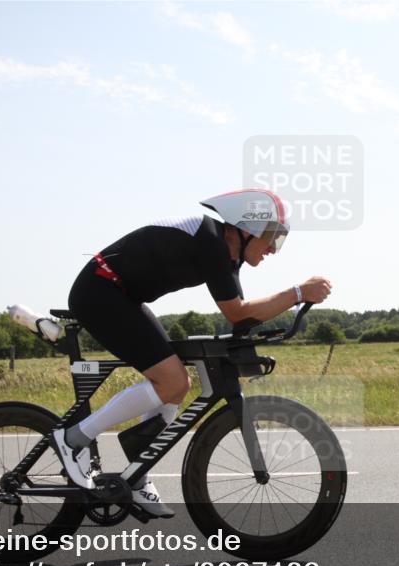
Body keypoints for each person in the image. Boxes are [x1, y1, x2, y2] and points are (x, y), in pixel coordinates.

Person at [54, 188, 332, 518]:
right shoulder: (211, 241)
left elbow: (241, 318)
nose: (273, 248)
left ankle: (137, 473)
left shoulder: (227, 257)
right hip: (99, 292)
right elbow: (238, 312)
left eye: (279, 239)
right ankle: (74, 438)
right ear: (246, 228)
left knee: (179, 384)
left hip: (121, 296)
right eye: (272, 236)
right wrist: (298, 293)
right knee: (171, 380)